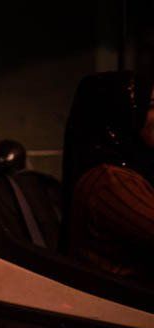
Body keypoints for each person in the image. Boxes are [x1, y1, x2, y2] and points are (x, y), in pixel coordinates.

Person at [62, 71, 154, 285]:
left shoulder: (133, 168)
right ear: (119, 113)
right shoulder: (109, 181)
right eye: (150, 105)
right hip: (121, 302)